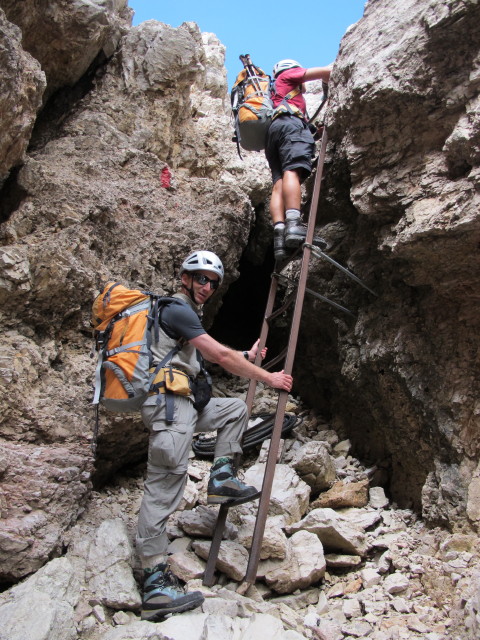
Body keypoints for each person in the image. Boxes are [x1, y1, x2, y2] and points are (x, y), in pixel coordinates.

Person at [137, 249, 293, 621]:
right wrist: (268, 378)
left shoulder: (186, 316)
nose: (207, 286)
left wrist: (246, 353)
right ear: (185, 278)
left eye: (213, 282)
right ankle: (153, 580)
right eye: (201, 278)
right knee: (164, 487)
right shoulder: (176, 308)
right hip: (170, 408)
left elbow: (201, 355)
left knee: (235, 409)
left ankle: (221, 476)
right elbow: (218, 356)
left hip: (187, 403)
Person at [266, 59, 332, 261]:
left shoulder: (273, 92)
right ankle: (294, 225)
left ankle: (280, 236)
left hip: (273, 134)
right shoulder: (288, 75)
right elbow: (328, 71)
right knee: (292, 171)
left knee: (278, 183)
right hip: (290, 125)